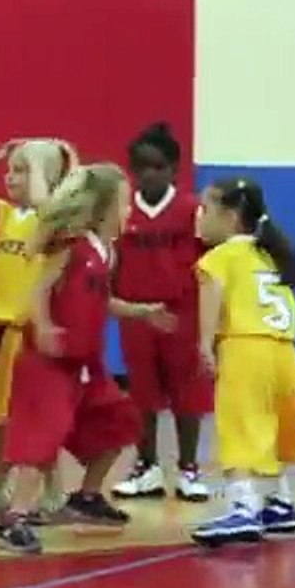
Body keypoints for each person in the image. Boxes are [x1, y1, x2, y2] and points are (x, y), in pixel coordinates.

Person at [0, 164, 165, 554]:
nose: (129, 212)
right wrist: (43, 326)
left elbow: (98, 300)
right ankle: (14, 517)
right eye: (123, 204)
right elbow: (38, 289)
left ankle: (86, 497)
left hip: (86, 364)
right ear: (102, 207)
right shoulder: (70, 245)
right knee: (41, 440)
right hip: (48, 363)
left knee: (123, 420)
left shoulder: (108, 254)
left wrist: (139, 311)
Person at [192, 177, 295, 547]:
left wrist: (203, 345)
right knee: (272, 427)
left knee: (239, 426)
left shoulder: (221, 256)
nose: (198, 216)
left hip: (246, 348)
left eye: (206, 209)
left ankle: (242, 508)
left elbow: (211, 295)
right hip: (286, 353)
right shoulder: (272, 253)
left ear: (230, 217)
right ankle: (280, 502)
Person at [0, 138, 76, 522]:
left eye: (22, 170)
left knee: (34, 418)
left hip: (26, 333)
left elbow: (54, 201)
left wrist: (46, 164)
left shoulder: (52, 221)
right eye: (9, 170)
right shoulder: (4, 213)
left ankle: (54, 490)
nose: (10, 177)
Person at [111, 123, 212, 502]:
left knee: (189, 393)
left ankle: (188, 468)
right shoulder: (122, 211)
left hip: (181, 313)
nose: (146, 174)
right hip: (137, 313)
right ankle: (146, 466)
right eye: (139, 167)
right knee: (142, 393)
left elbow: (209, 263)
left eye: (155, 166)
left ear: (173, 169)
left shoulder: (192, 210)